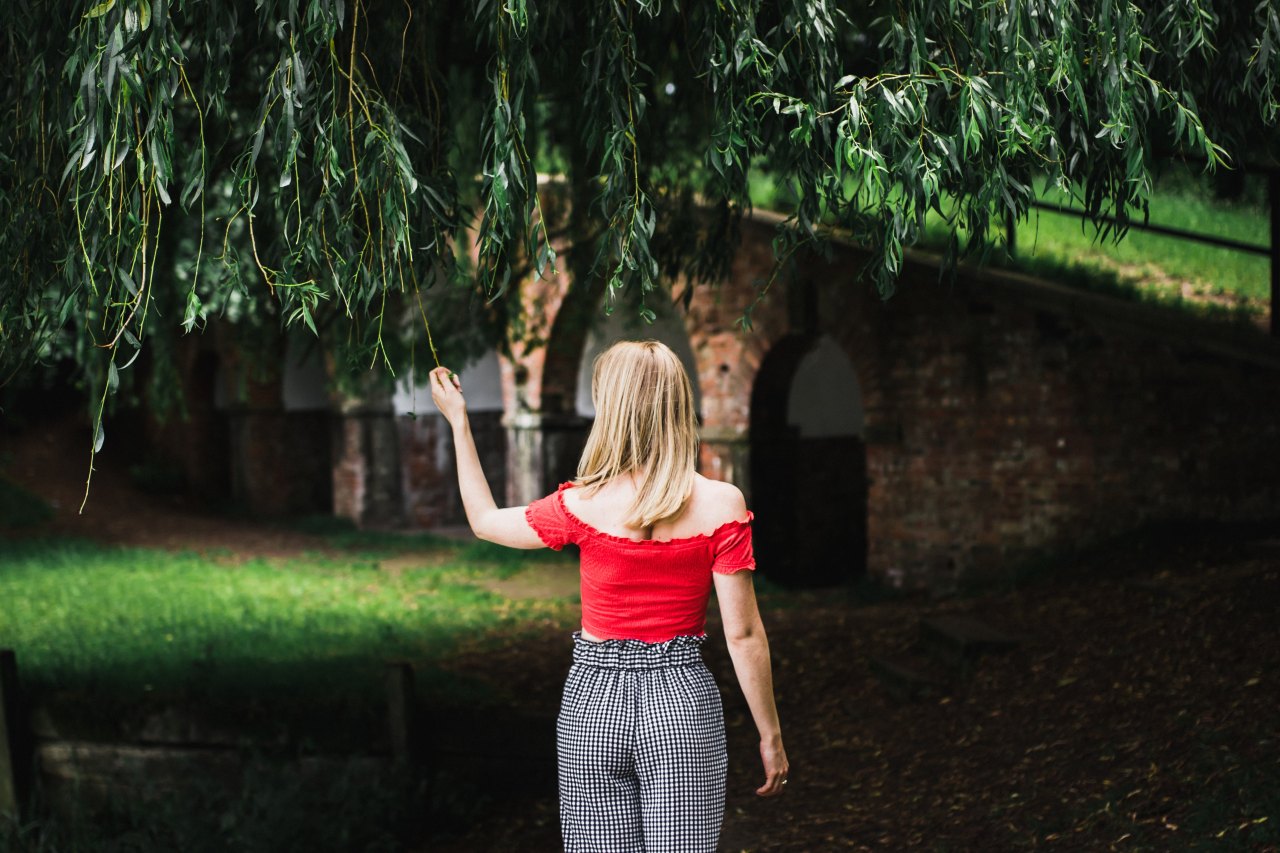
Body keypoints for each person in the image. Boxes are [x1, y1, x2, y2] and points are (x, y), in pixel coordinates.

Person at [429, 339, 788, 853]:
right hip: (682, 705)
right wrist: (769, 735)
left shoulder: (580, 503)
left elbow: (485, 522)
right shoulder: (721, 503)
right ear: (677, 405)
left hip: (592, 705)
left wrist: (460, 422)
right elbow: (744, 634)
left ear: (612, 408)